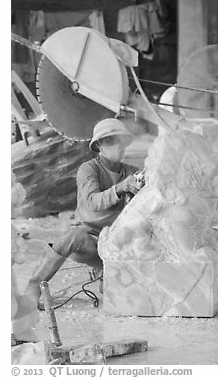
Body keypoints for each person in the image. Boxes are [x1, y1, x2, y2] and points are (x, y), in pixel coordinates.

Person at [25, 118, 142, 307]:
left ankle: (106, 272)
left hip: (119, 243)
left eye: (119, 141)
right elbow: (93, 202)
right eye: (110, 141)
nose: (117, 147)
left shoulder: (132, 173)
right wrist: (121, 187)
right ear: (99, 146)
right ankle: (34, 287)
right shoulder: (88, 170)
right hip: (92, 238)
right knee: (74, 236)